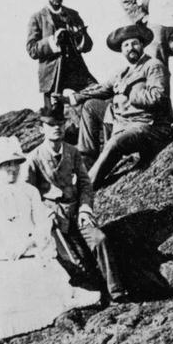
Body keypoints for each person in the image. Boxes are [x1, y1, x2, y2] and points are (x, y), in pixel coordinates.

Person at [0, 136, 101, 337]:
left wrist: (29, 242)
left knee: (46, 278)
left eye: (15, 164)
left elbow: (43, 222)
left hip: (32, 245)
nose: (12, 169)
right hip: (6, 249)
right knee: (5, 278)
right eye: (6, 165)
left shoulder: (29, 191)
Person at [22, 101, 127, 303]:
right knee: (73, 259)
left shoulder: (72, 152)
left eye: (60, 124)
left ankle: (117, 292)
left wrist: (86, 208)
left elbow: (86, 184)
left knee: (100, 240)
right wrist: (44, 214)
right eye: (51, 125)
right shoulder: (34, 158)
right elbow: (27, 194)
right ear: (41, 128)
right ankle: (92, 297)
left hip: (76, 211)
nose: (56, 129)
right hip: (54, 219)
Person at [68, 24, 173, 189]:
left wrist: (129, 91)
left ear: (142, 45)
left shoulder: (154, 66)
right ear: (121, 50)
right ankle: (86, 163)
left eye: (134, 43)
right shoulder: (123, 72)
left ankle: (85, 189)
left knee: (115, 143)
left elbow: (158, 98)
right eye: (126, 45)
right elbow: (103, 89)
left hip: (149, 127)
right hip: (124, 123)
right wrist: (73, 98)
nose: (130, 48)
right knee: (90, 106)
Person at [24, 0, 107, 165]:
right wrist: (52, 41)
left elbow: (88, 45)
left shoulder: (73, 14)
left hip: (76, 68)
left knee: (98, 94)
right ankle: (54, 159)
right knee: (53, 116)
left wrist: (80, 36)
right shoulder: (37, 18)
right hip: (53, 72)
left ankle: (97, 147)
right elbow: (31, 49)